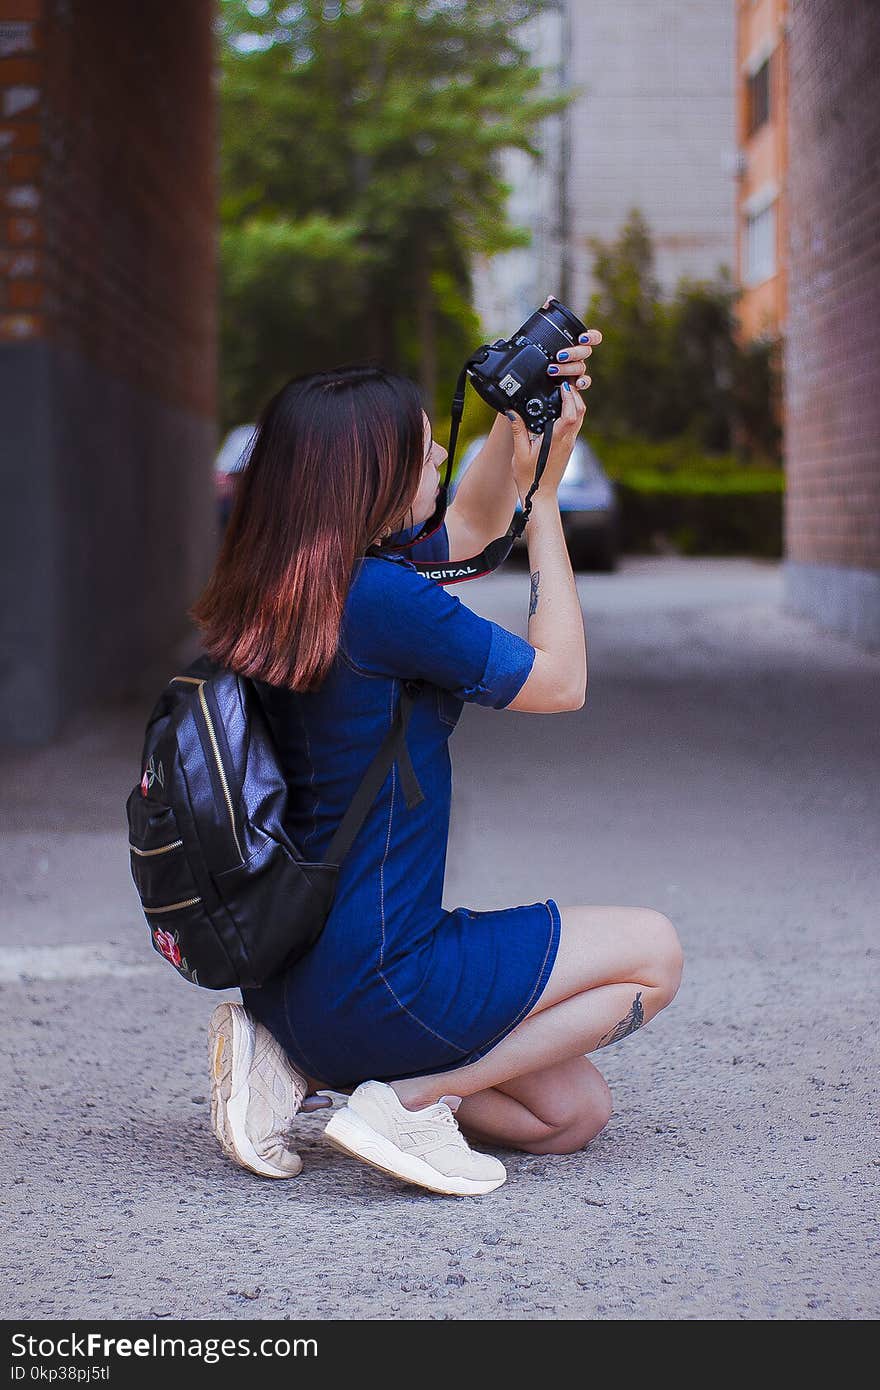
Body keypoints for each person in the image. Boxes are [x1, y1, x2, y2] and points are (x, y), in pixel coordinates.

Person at [192, 322, 683, 1197]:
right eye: (424, 453)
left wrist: (516, 421)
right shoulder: (381, 599)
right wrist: (547, 509)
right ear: (373, 481)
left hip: (292, 979)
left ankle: (298, 1066)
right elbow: (560, 681)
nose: (439, 462)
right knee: (655, 952)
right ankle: (417, 1099)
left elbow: (466, 522)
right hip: (388, 974)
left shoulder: (294, 577)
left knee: (570, 1115)